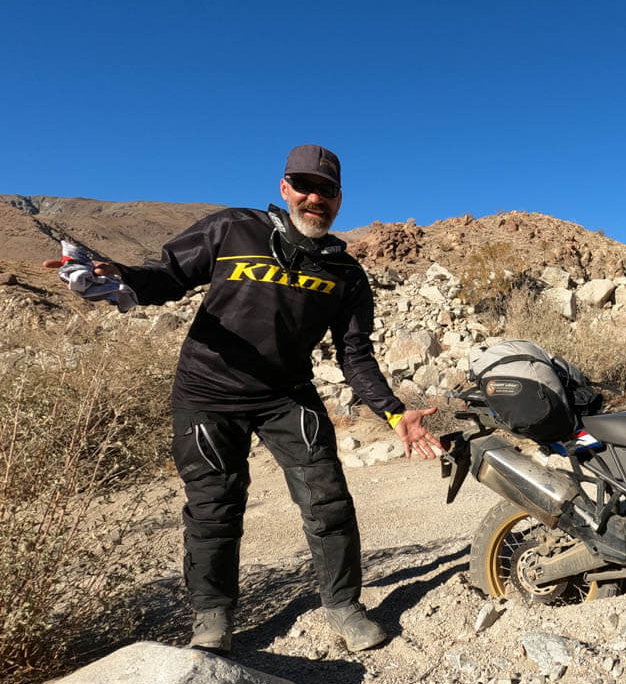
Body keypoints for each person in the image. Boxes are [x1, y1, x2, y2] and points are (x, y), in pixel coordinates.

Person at [44, 144, 442, 654]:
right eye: (304, 186)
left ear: (340, 199)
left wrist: (392, 412)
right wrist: (117, 277)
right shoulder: (233, 229)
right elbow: (166, 275)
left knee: (328, 503)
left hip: (287, 397)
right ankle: (213, 618)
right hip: (207, 395)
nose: (314, 197)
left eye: (326, 190)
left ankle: (342, 606)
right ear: (284, 189)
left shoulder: (346, 274)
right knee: (214, 511)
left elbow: (355, 355)